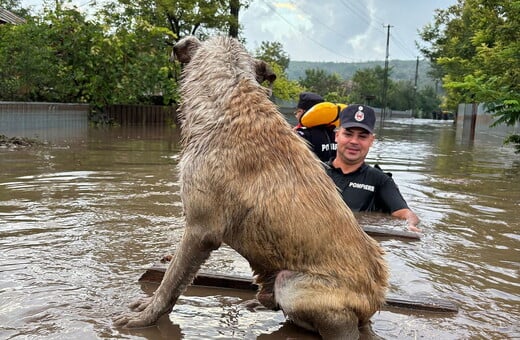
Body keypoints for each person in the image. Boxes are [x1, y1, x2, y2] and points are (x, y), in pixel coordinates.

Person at [325, 104, 421, 232]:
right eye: (348, 134)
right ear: (337, 136)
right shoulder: (314, 171)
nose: (354, 141)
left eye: (362, 137)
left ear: (372, 140)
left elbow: (404, 213)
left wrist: (410, 225)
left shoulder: (380, 180)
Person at [293, 92, 337, 162]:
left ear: (305, 113)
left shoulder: (302, 135)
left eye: (298, 111)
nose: (296, 115)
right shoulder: (336, 134)